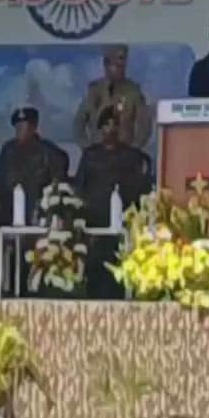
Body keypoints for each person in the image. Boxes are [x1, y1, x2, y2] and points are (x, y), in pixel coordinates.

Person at [0, 106, 69, 297]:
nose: (20, 131)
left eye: (24, 126)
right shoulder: (8, 150)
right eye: (18, 127)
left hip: (37, 213)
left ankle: (33, 290)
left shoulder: (47, 152)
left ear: (34, 128)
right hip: (8, 212)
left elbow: (60, 173)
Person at [73, 107, 151, 298]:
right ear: (99, 130)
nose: (111, 129)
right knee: (95, 272)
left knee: (119, 274)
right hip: (94, 223)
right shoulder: (91, 156)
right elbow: (79, 188)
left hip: (122, 224)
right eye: (106, 125)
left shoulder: (131, 156)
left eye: (115, 125)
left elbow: (141, 188)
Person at [72, 44, 152, 150]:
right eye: (117, 66)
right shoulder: (94, 90)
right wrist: (87, 147)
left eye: (123, 66)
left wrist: (135, 148)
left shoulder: (133, 91)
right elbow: (79, 123)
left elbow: (144, 124)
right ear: (106, 64)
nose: (121, 70)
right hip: (98, 153)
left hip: (124, 153)